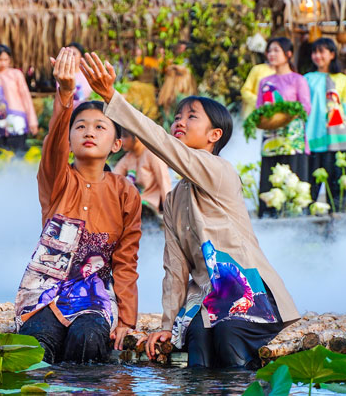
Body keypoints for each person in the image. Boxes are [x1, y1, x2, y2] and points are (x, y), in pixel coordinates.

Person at [80, 52, 299, 369]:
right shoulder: (173, 199)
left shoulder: (219, 170)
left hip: (247, 289)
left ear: (214, 136)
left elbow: (164, 145)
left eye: (191, 116)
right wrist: (167, 325)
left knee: (228, 337)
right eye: (178, 116)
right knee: (197, 341)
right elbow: (175, 268)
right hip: (206, 299)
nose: (179, 121)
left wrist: (112, 97)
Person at [15, 48, 141, 364]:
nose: (88, 131)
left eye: (100, 127)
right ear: (70, 139)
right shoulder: (56, 179)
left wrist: (127, 318)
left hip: (94, 297)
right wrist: (66, 94)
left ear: (116, 144)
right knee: (39, 343)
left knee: (89, 339)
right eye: (80, 126)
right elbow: (53, 144)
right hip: (42, 295)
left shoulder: (125, 192)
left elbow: (126, 260)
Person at [256, 37, 311, 218]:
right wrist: (270, 117)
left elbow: (306, 107)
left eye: (276, 50)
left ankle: (296, 220)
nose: (271, 54)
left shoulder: (298, 80)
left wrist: (286, 114)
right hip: (270, 138)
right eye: (269, 51)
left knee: (292, 181)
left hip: (292, 139)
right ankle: (268, 219)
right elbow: (258, 111)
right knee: (270, 180)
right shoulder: (264, 82)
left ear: (288, 54)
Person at [304, 38, 346, 208]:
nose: (317, 56)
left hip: (340, 140)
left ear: (332, 54)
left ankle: (337, 228)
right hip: (313, 140)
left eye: (322, 52)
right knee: (309, 190)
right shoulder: (307, 79)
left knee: (338, 191)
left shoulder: (342, 79)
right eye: (314, 52)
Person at [0, 44, 38, 153]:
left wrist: (32, 121)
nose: (3, 63)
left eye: (6, 59)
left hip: (16, 122)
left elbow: (26, 98)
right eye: (0, 60)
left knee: (17, 155)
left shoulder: (16, 75)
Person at [113, 128, 172, 216]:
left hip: (149, 209)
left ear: (136, 137)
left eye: (125, 136)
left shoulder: (152, 155)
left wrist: (170, 214)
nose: (121, 140)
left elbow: (164, 183)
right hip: (131, 206)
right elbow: (113, 180)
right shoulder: (128, 157)